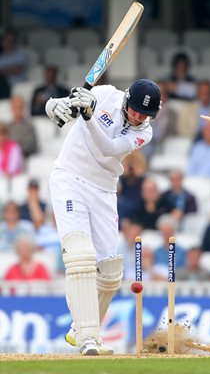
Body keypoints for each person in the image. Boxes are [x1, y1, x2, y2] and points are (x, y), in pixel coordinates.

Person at [45, 79, 162, 355]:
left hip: (105, 190)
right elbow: (58, 107)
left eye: (144, 114)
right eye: (134, 110)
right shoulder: (105, 94)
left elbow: (108, 148)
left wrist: (87, 117)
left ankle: (79, 330)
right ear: (127, 100)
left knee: (110, 273)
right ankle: (88, 339)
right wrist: (56, 107)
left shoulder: (145, 132)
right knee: (80, 255)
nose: (137, 117)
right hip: (70, 179)